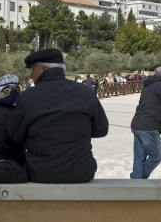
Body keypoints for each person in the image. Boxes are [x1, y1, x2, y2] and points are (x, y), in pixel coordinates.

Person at [8, 48, 109, 183]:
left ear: (43, 69)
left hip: (40, 173)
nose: (31, 75)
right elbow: (101, 129)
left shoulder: (27, 97)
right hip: (81, 172)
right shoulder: (86, 93)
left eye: (33, 69)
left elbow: (15, 136)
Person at [130, 66, 161, 179]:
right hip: (149, 126)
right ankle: (139, 178)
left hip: (137, 123)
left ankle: (137, 183)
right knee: (156, 156)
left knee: (139, 158)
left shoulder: (147, 85)